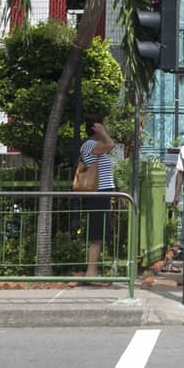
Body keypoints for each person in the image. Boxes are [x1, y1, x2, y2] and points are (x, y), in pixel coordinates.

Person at [79, 116, 116, 278]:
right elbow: (111, 145)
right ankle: (91, 272)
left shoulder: (95, 146)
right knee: (97, 234)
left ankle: (92, 271)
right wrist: (103, 132)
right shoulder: (89, 145)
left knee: (100, 233)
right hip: (97, 194)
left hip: (103, 194)